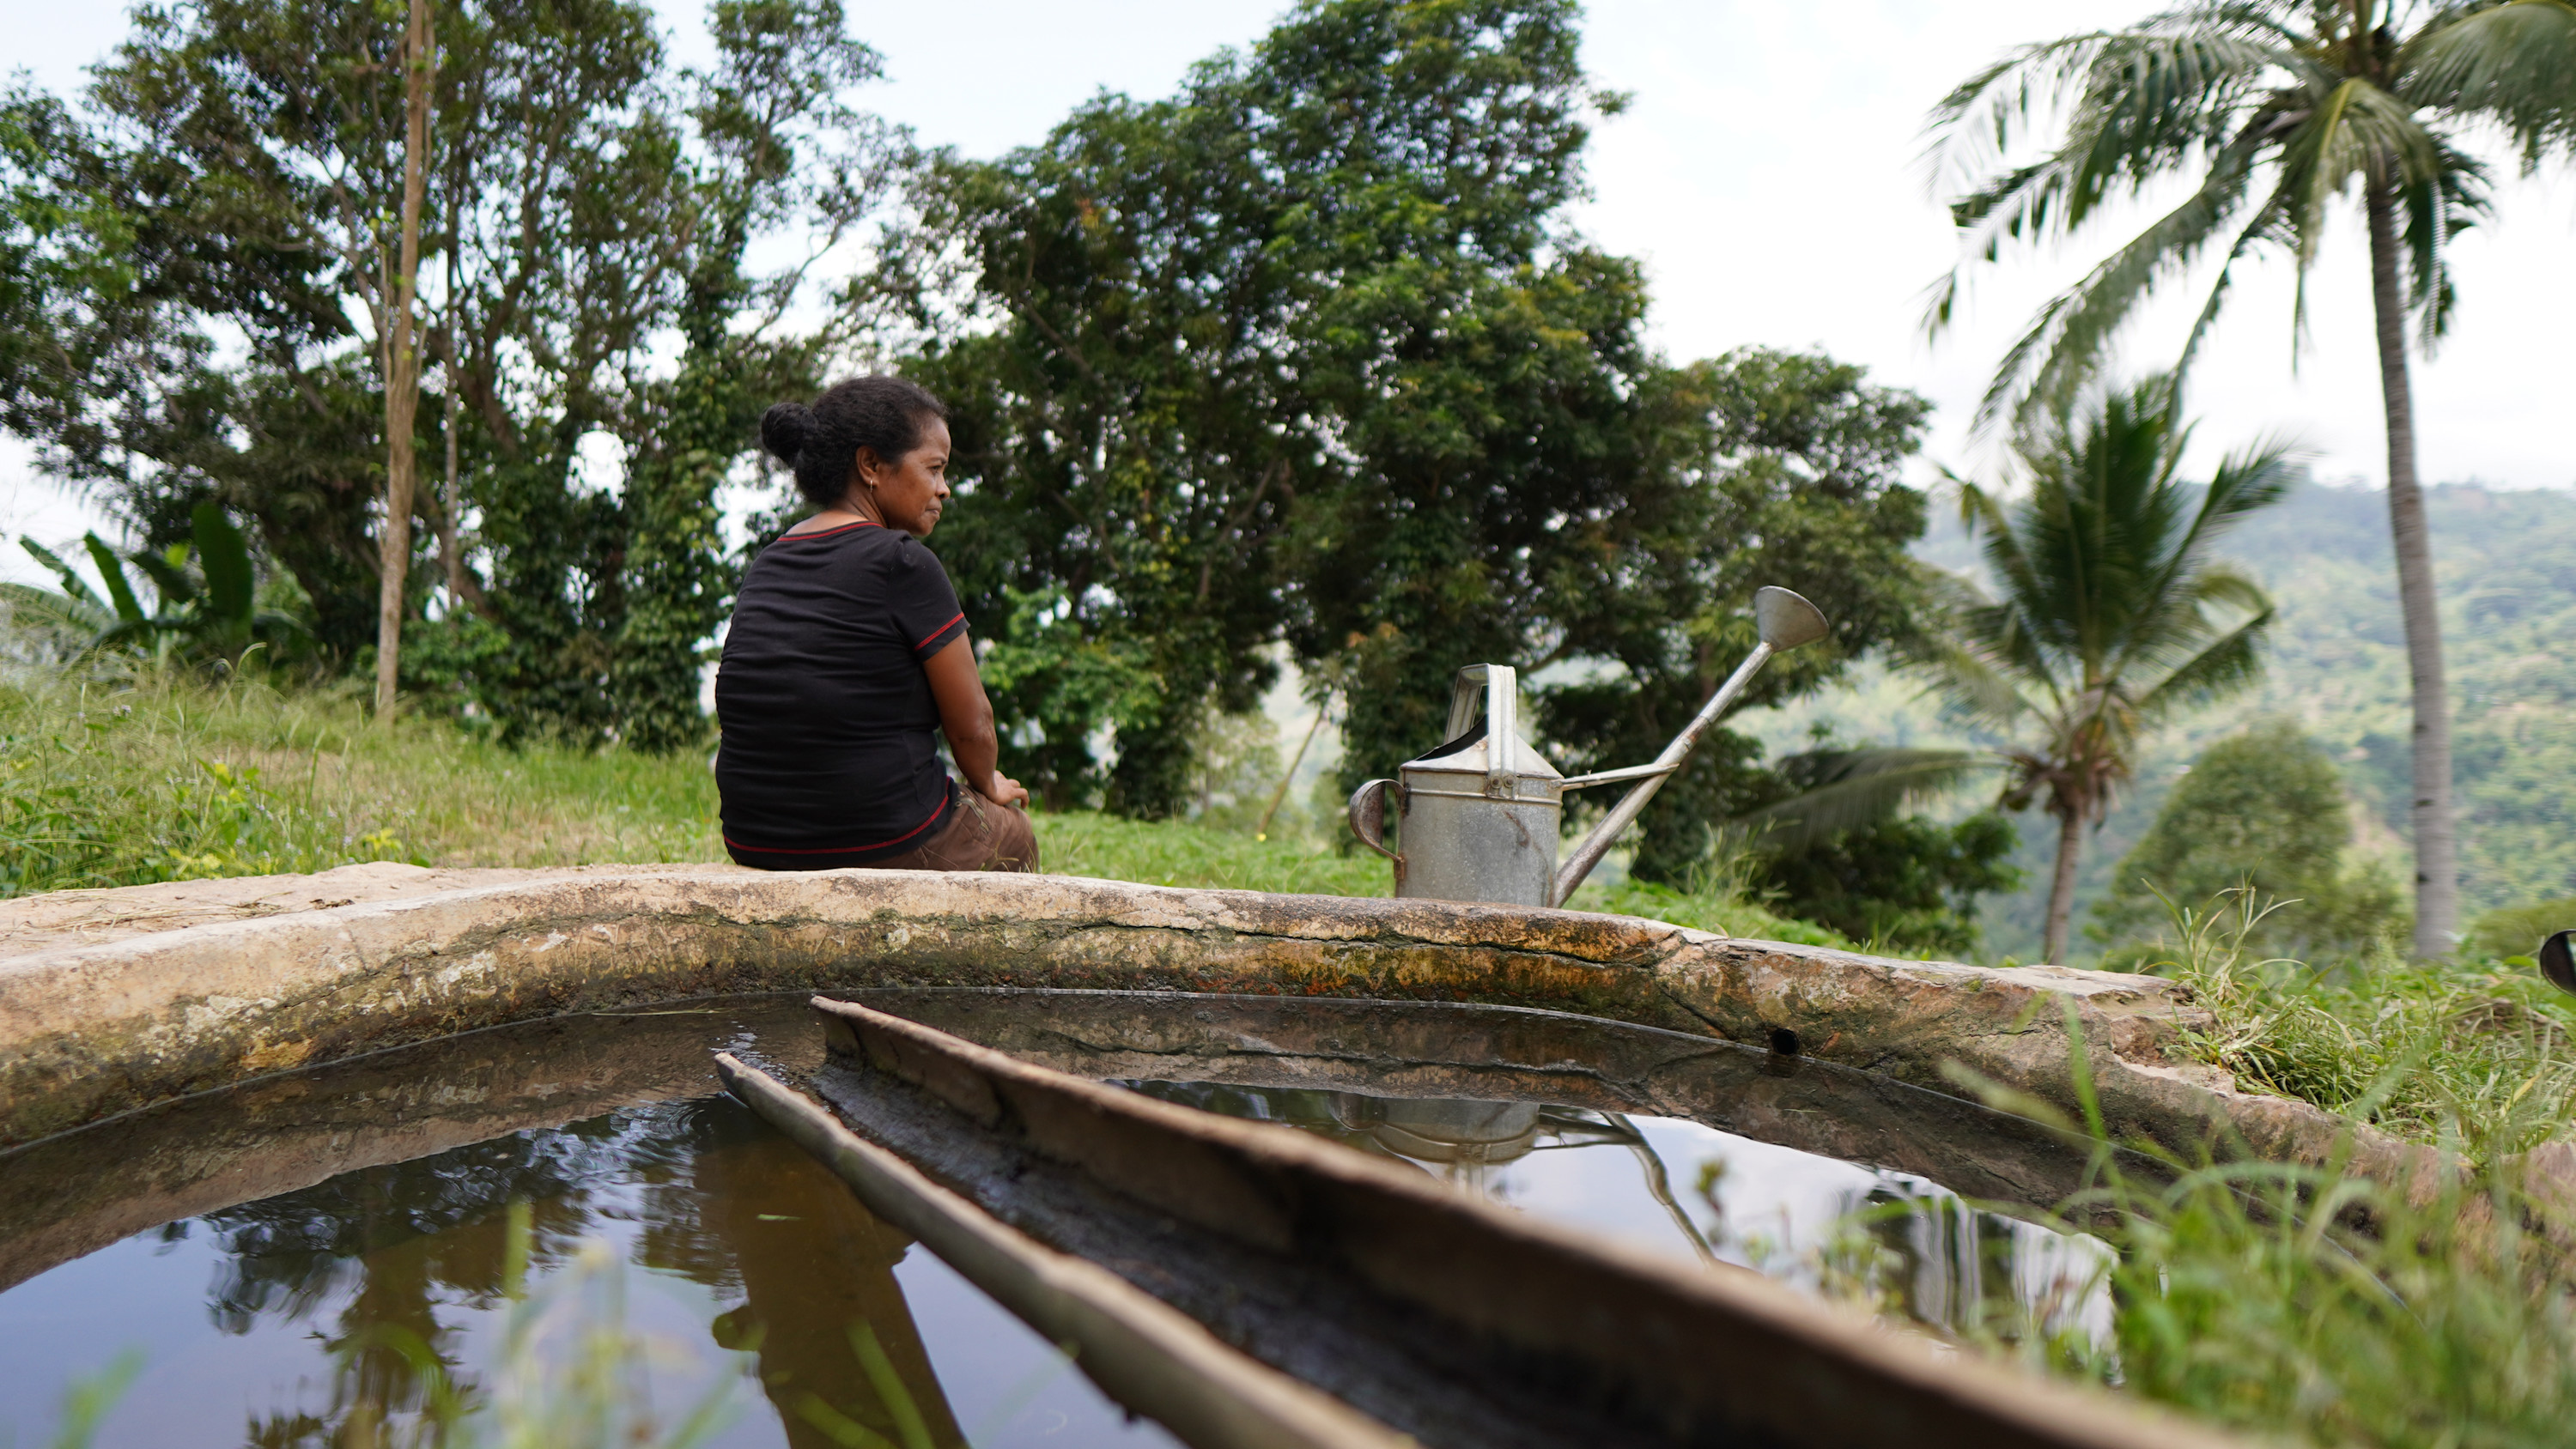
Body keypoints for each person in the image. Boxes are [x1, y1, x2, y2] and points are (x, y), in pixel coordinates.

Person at [714, 376, 1037, 873]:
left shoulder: (770, 561)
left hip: (757, 840)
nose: (944, 489)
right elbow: (973, 725)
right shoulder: (903, 562)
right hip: (887, 838)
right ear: (871, 465)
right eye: (934, 469)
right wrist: (989, 783)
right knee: (1012, 832)